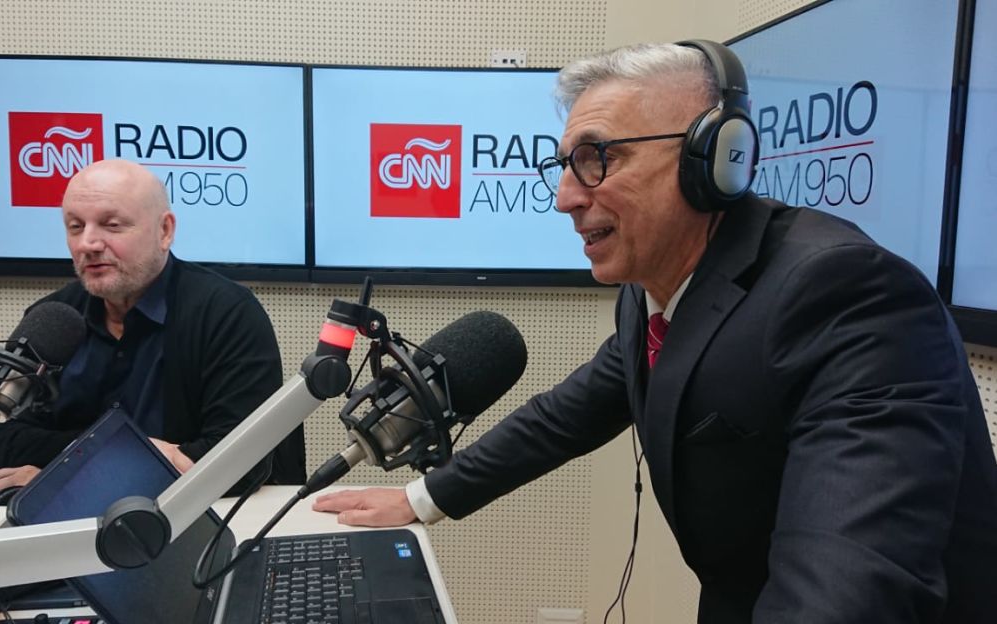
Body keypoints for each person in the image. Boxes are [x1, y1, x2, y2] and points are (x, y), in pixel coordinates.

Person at [313, 41, 997, 622]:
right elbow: (570, 414)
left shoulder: (846, 296)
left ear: (713, 160)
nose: (566, 197)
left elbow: (851, 583)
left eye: (597, 158)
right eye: (565, 165)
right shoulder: (655, 293)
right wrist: (419, 499)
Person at [0, 159, 305, 495]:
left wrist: (61, 471)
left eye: (112, 225)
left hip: (194, 524)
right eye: (75, 227)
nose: (88, 243)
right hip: (65, 523)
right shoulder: (53, 319)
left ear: (165, 231)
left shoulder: (227, 314)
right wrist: (112, 461)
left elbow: (237, 461)